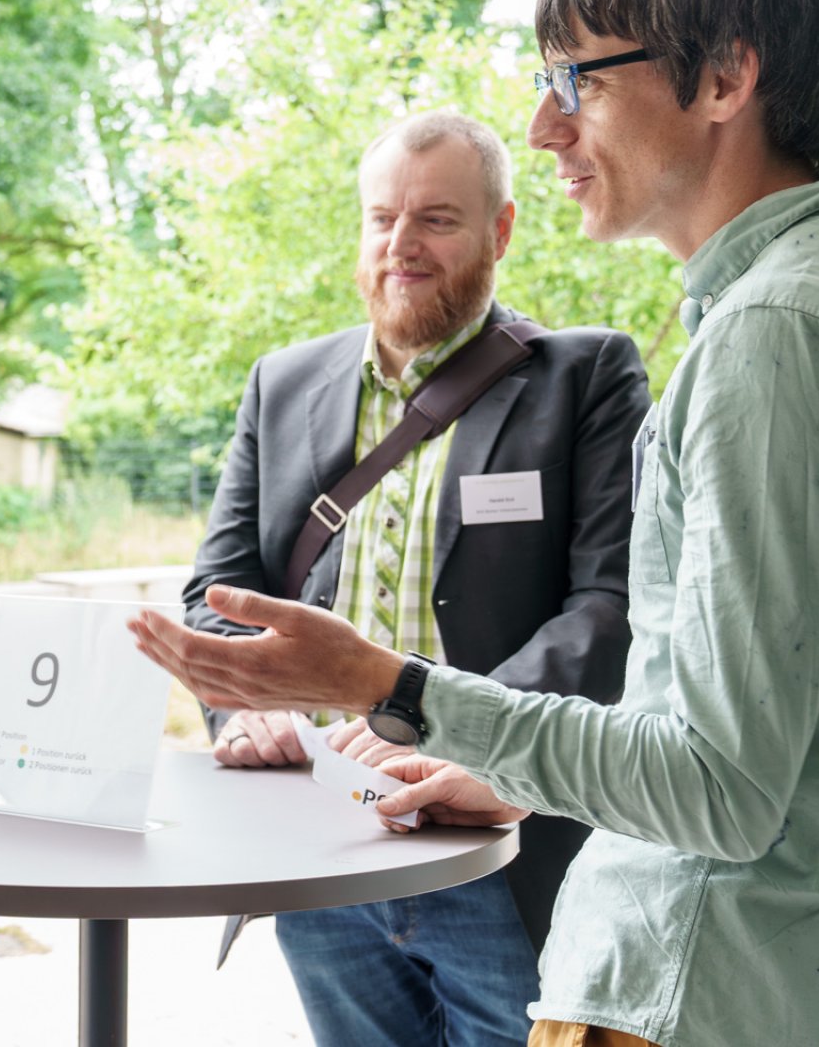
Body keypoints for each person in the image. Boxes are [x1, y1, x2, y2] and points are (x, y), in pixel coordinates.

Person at [131, 0, 819, 1046]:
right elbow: (773, 732)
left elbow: (720, 789)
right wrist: (522, 773)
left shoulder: (775, 333)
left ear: (725, 78)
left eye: (577, 79)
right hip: (813, 982)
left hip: (680, 986)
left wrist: (391, 687)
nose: (545, 126)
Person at [185, 110, 648, 1046]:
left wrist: (467, 733)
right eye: (382, 218)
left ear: (500, 231)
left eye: (437, 219)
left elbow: (608, 608)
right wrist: (242, 713)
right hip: (322, 843)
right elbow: (214, 594)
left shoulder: (585, 376)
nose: (402, 244)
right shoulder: (282, 382)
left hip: (497, 843)